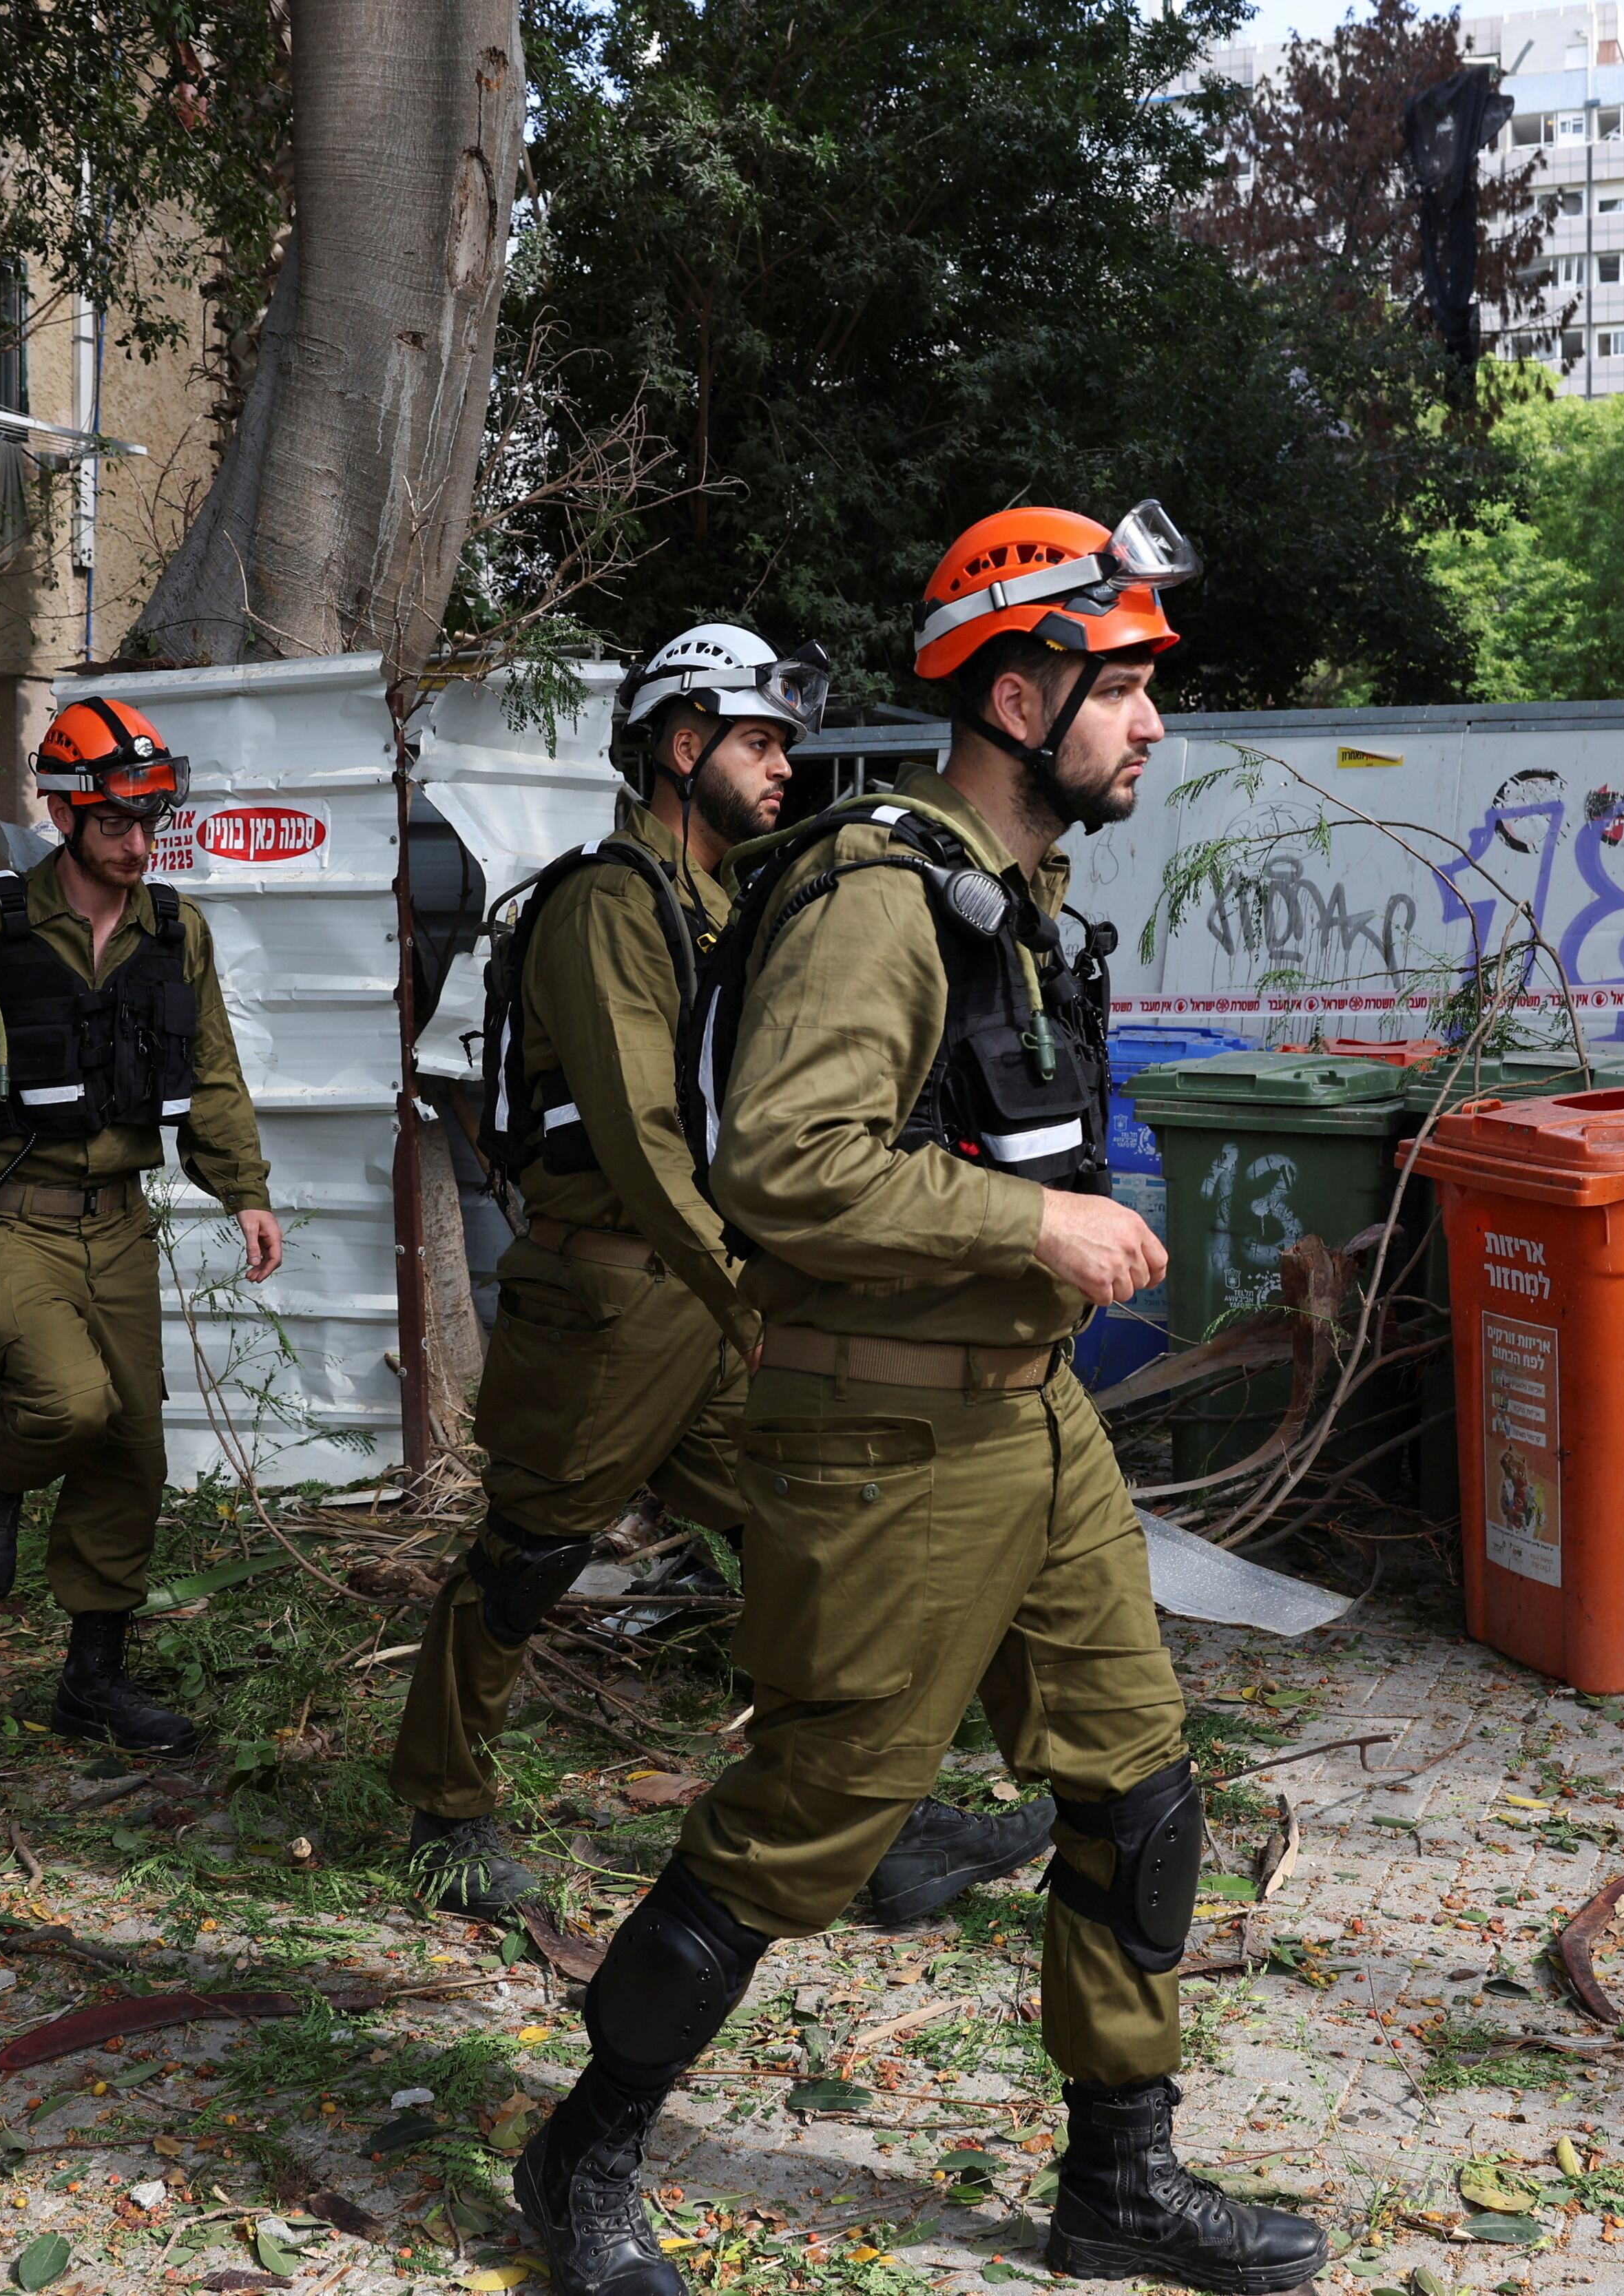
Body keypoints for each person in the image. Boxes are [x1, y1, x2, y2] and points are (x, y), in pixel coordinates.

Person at [510, 510, 1326, 2296]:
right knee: (807, 1819)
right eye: (1125, 688)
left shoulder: (1006, 903)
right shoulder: (876, 893)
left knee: (1141, 1789)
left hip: (1030, 1427)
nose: (1152, 725)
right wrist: (1037, 1217)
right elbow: (789, 1163)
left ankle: (1121, 2171)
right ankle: (581, 2151)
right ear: (1022, 691)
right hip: (883, 1443)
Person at [390, 623, 1056, 1923]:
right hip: (613, 1302)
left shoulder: (728, 903)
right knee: (527, 1556)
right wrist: (753, 1291)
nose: (784, 768)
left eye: (787, 745)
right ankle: (443, 1809)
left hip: (705, 1297)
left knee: (815, 1540)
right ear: (681, 746)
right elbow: (644, 1138)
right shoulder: (606, 901)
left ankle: (873, 1819)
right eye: (758, 740)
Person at [0, 698, 283, 1757]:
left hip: (119, 1224)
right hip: (12, 1216)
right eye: (120, 823)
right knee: (66, 1401)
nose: (141, 843)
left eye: (152, 822)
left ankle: (94, 1677)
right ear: (64, 812)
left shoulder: (177, 932)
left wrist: (246, 1189)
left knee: (132, 1447)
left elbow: (213, 1076)